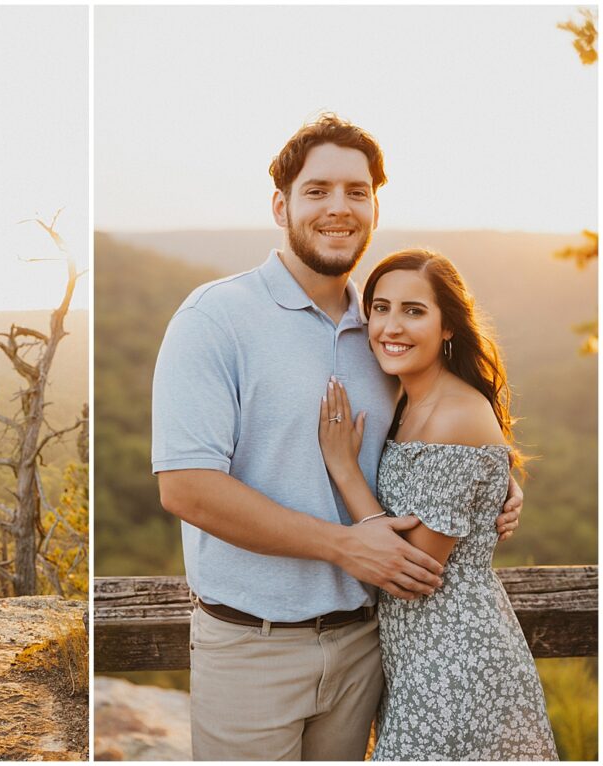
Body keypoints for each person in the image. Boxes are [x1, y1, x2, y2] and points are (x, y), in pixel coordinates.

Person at [151, 114, 523, 761]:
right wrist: (344, 548)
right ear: (280, 205)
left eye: (357, 191)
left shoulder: (383, 329)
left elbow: (436, 429)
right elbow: (186, 488)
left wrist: (493, 478)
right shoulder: (215, 318)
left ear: (375, 206)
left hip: (364, 649)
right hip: (250, 650)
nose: (338, 207)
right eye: (317, 190)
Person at [317, 250, 557, 760]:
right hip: (414, 661)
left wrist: (344, 469)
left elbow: (413, 572)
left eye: (414, 311)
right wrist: (501, 486)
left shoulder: (454, 415)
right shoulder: (404, 398)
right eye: (380, 308)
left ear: (448, 326)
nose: (390, 326)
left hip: (455, 663)